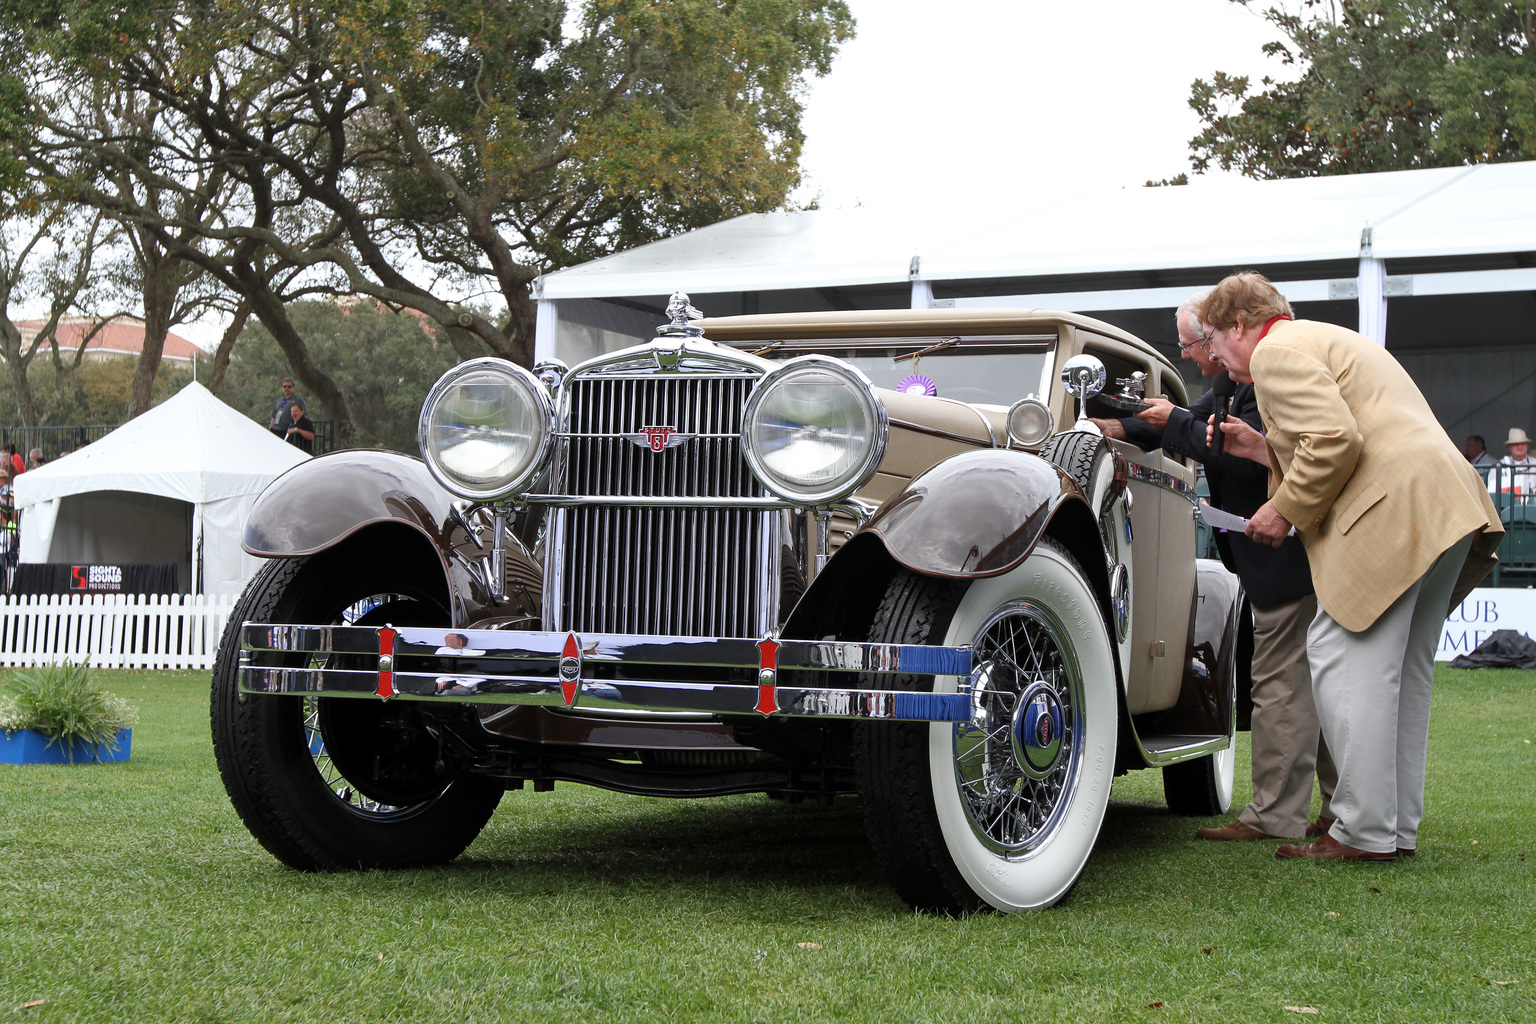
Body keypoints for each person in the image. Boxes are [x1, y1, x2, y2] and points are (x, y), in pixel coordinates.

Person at [1200, 271, 1502, 862]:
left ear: (1240, 325)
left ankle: (1362, 832)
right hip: (1445, 507)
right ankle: (1391, 831)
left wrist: (1282, 509)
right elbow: (1350, 428)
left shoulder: (1276, 353)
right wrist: (1263, 450)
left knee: (1344, 658)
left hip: (1395, 512)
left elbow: (1336, 439)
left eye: (1212, 337)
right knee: (1403, 675)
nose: (1210, 353)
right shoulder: (1321, 337)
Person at [1094, 296, 1337, 842]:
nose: (1195, 358)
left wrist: (1176, 420)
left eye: (1195, 345)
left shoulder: (1267, 380)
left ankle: (1276, 815)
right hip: (1276, 562)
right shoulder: (1236, 387)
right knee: (1307, 686)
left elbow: (1229, 449)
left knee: (1278, 685)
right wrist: (1107, 423)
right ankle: (1337, 807)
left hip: (1285, 559)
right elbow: (1183, 424)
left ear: (1227, 334)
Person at [1489, 428, 1536, 503]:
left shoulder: (1534, 463)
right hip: (1506, 508)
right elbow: (1492, 491)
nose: (1520, 447)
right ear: (1509, 447)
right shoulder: (1499, 466)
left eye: (1523, 443)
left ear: (1527, 445)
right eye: (1516, 444)